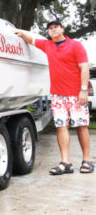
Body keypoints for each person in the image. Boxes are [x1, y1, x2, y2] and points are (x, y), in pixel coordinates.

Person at [15, 20, 93, 175]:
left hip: (76, 94)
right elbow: (31, 40)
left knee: (81, 126)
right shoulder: (47, 45)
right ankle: (66, 162)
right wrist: (20, 33)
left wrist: (83, 90)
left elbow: (84, 67)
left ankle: (87, 160)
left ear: (62, 29)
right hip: (57, 95)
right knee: (61, 126)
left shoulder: (75, 45)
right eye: (50, 28)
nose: (53, 30)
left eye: (56, 27)